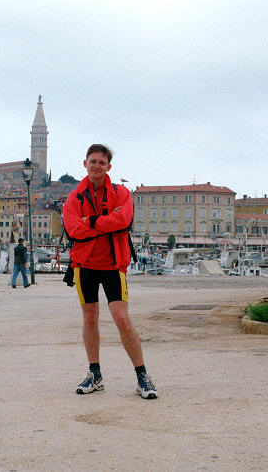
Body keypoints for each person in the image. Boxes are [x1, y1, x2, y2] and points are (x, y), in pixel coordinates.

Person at [62, 143, 157, 399]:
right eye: (92, 161)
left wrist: (90, 222)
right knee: (90, 319)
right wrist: (107, 223)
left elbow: (123, 220)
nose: (97, 166)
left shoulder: (121, 193)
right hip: (84, 266)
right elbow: (73, 230)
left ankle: (142, 376)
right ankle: (95, 374)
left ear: (108, 167)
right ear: (85, 164)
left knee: (122, 319)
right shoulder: (74, 198)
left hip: (114, 266)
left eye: (101, 163)